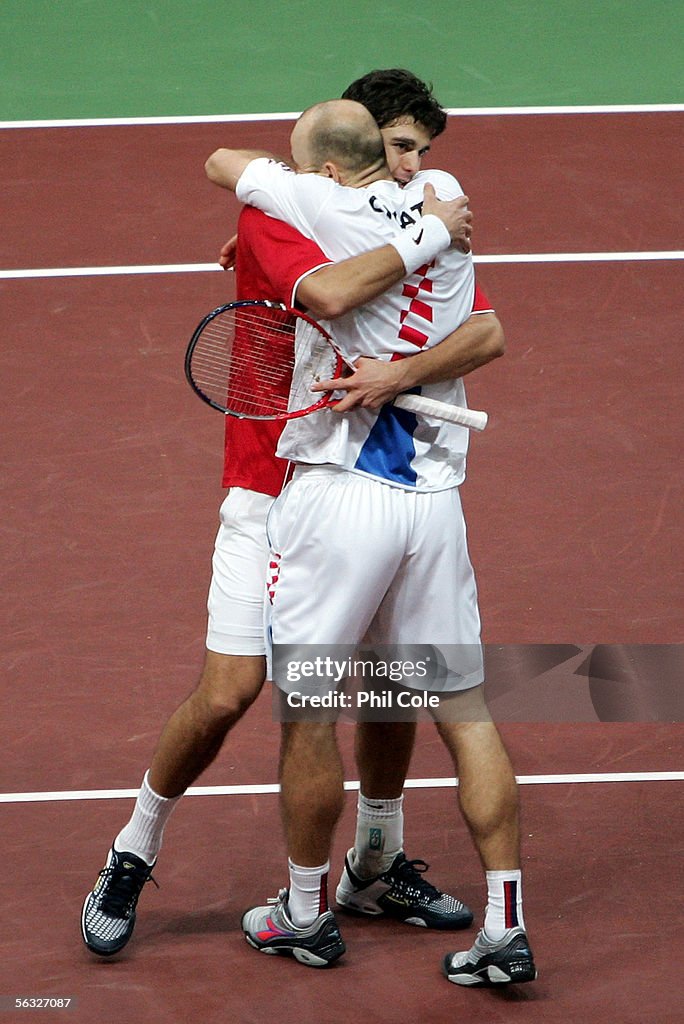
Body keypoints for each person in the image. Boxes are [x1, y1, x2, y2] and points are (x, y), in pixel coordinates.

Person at [80, 73, 503, 959]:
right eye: (400, 146)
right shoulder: (281, 220)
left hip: (361, 491)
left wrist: (399, 359)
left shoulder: (391, 213)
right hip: (271, 493)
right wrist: (430, 232)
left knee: (392, 684)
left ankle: (375, 858)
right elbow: (333, 293)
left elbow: (482, 334)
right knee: (234, 691)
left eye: (427, 152)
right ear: (352, 153)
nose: (418, 166)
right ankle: (134, 845)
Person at [206, 98, 536, 985]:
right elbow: (483, 324)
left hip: (342, 496)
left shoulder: (317, 203)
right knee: (464, 711)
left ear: (320, 166)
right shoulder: (447, 198)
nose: (411, 160)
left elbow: (225, 162)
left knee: (309, 704)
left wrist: (272, 208)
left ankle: (305, 912)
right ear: (383, 149)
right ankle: (506, 925)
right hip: (434, 504)